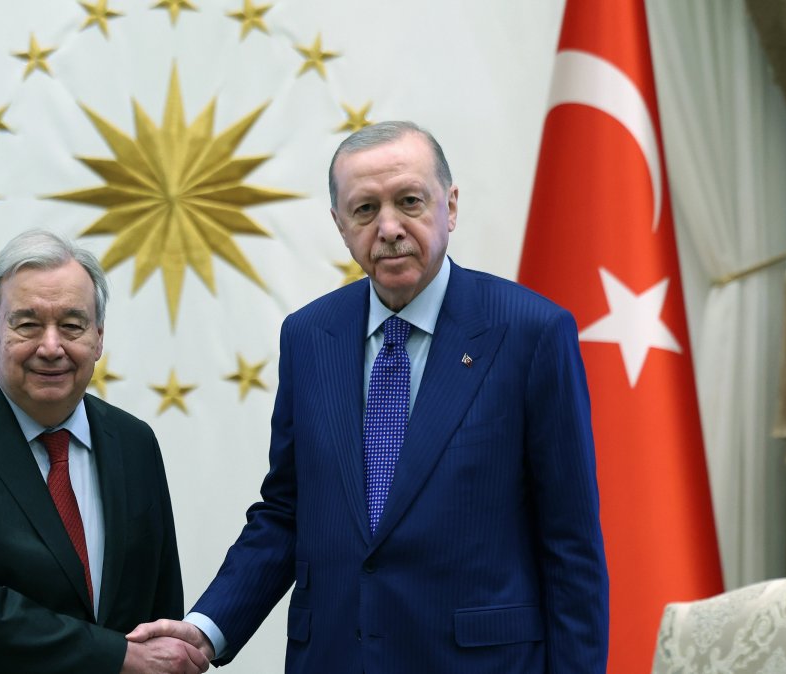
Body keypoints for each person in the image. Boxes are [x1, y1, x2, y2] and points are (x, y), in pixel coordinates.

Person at [128, 121, 609, 672]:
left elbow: (571, 547)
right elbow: (288, 512)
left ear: (449, 207)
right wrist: (204, 631)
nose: (389, 228)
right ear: (339, 225)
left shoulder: (530, 332)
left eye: (409, 202)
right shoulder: (309, 336)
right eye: (364, 210)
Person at [0, 229, 208, 674]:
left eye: (72, 326)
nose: (52, 346)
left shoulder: (133, 444)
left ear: (98, 338)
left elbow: (159, 605)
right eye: (28, 324)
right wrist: (117, 657)